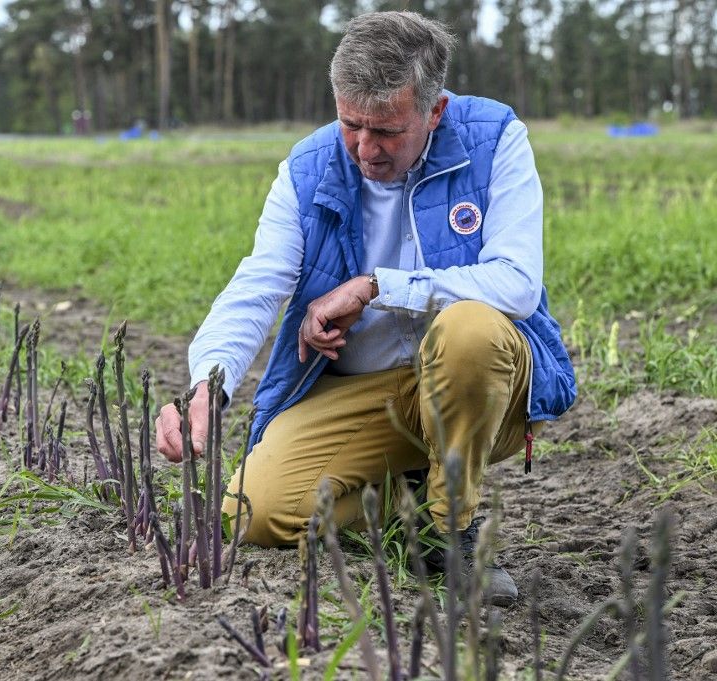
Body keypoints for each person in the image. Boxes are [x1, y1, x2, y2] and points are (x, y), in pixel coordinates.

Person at [155, 11, 576, 606]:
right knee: (254, 513)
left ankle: (450, 529)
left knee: (469, 329)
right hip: (364, 394)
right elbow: (258, 283)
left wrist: (378, 285)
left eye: (386, 131)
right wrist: (208, 384)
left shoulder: (496, 139)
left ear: (435, 112)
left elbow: (516, 283)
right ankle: (406, 502)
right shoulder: (308, 168)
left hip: (478, 387)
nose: (364, 148)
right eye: (350, 123)